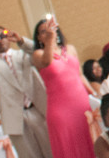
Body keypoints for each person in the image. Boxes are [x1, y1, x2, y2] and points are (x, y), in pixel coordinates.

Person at [0, 25, 51, 158]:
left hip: (37, 108)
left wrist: (21, 40)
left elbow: (41, 52)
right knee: (29, 155)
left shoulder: (23, 55)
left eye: (4, 34)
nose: (1, 39)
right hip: (15, 117)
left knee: (51, 150)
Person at [31, 16, 95, 158]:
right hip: (61, 110)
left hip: (82, 103)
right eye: (43, 31)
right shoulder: (37, 54)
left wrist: (94, 93)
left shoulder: (70, 49)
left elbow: (79, 75)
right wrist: (50, 41)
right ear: (38, 37)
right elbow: (47, 62)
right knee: (69, 146)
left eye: (51, 29)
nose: (48, 32)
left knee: (91, 139)